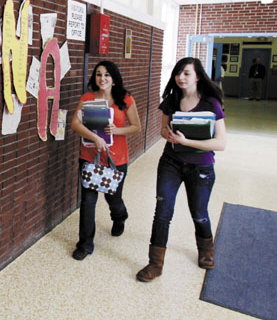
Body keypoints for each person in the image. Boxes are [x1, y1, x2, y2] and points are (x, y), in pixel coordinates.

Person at [137, 57, 227, 282]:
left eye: (186, 73)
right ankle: (155, 264)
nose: (181, 77)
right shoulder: (171, 100)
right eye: (178, 73)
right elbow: (162, 131)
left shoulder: (211, 103)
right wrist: (169, 136)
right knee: (162, 212)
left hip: (201, 166)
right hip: (171, 163)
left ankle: (206, 251)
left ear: (197, 76)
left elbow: (220, 143)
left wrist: (187, 142)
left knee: (199, 213)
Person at [70, 61, 141, 260]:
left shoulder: (125, 99)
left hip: (116, 159)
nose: (102, 78)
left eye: (107, 75)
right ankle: (85, 244)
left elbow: (136, 126)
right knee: (88, 201)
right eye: (99, 74)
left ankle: (120, 216)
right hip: (90, 158)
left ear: (114, 79)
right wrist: (95, 137)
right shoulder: (88, 98)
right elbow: (75, 123)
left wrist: (117, 131)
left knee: (113, 198)